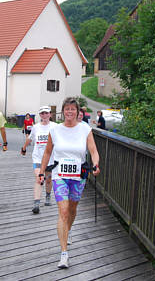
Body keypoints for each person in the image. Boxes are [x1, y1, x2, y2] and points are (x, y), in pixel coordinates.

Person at [39, 97, 100, 269]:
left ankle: (68, 229)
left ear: (78, 112)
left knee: (72, 209)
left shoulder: (85, 129)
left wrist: (96, 164)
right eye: (67, 109)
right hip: (60, 174)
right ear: (63, 111)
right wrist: (42, 172)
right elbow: (47, 153)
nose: (70, 112)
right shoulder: (55, 130)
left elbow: (93, 151)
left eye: (73, 109)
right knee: (63, 211)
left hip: (78, 175)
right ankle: (64, 253)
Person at [21, 106, 57, 214]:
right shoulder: (36, 127)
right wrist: (23, 148)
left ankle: (48, 196)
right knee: (39, 178)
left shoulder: (55, 127)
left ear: (50, 114)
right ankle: (36, 204)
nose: (44, 115)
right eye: (42, 113)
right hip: (38, 157)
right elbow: (30, 138)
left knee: (48, 180)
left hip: (51, 159)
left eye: (46, 113)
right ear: (40, 115)